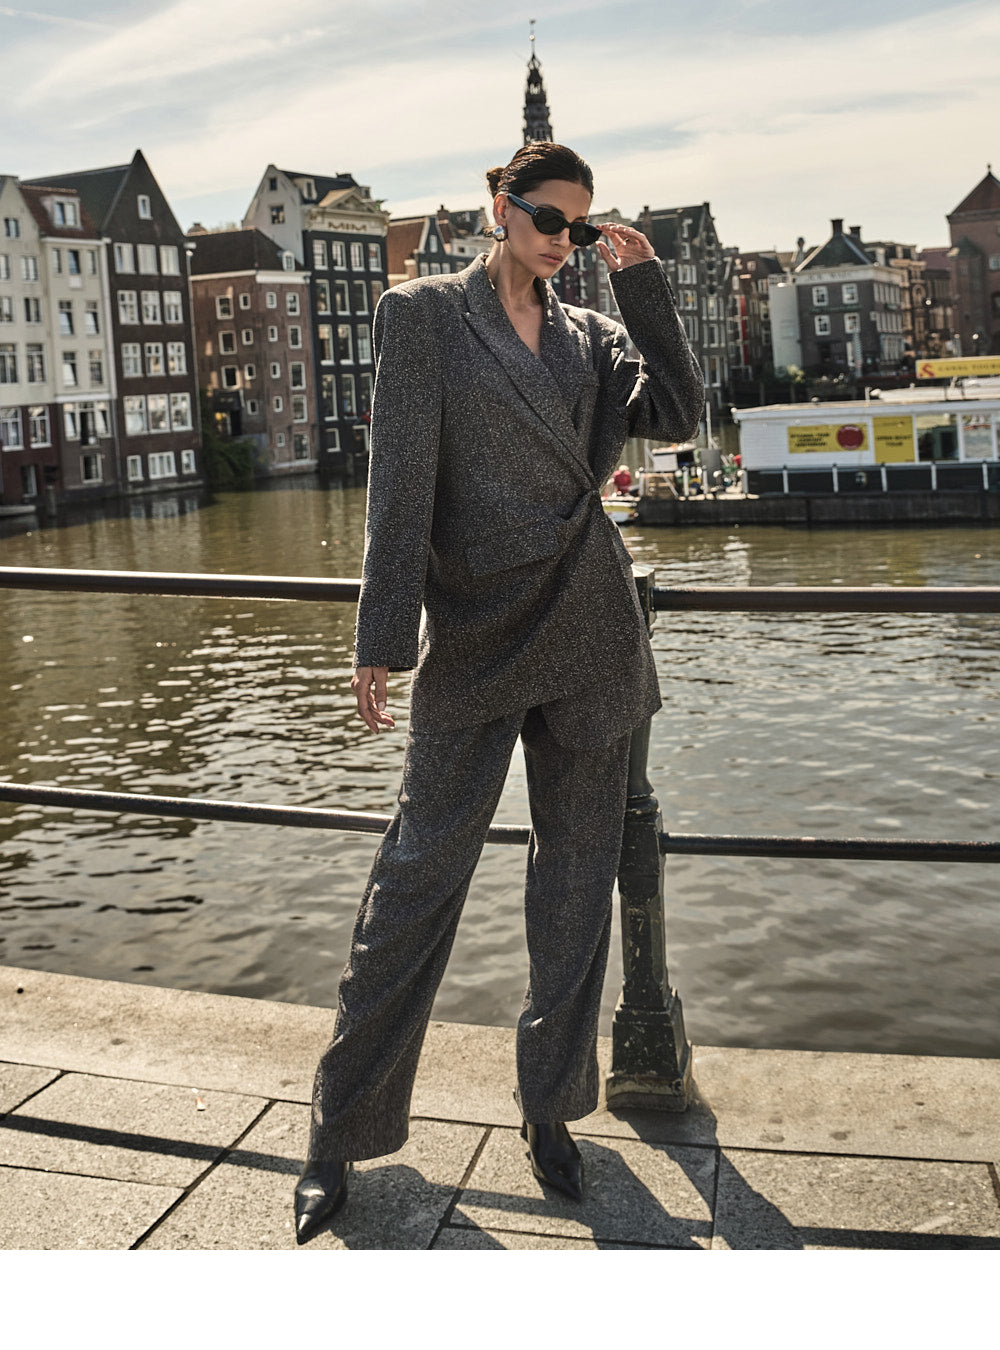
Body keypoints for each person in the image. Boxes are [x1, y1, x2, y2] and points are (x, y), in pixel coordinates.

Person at [294, 142, 704, 1243]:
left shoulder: (594, 333)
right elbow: (398, 484)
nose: (562, 240)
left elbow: (677, 413)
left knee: (574, 890)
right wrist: (383, 636)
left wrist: (642, 282)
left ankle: (550, 1111)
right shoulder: (424, 315)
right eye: (546, 218)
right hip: (475, 632)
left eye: (580, 225)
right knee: (415, 880)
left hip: (590, 626)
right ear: (499, 208)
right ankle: (338, 1130)